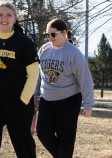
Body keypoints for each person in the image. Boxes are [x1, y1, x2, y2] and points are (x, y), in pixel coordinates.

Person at [0, 0, 39, 158]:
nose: (4, 18)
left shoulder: (24, 42)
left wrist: (23, 100)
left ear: (15, 18)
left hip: (18, 101)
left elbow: (33, 74)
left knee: (23, 144)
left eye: (9, 15)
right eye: (0, 15)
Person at [35, 18, 95, 158]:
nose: (50, 38)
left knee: (65, 138)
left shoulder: (74, 53)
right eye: (47, 35)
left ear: (64, 33)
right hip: (47, 99)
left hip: (68, 100)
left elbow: (85, 79)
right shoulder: (44, 50)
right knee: (43, 133)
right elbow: (38, 75)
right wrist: (34, 95)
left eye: (53, 34)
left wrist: (88, 104)